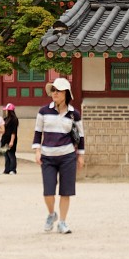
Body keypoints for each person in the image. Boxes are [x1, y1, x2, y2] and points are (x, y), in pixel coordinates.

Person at [33, 77, 88, 234]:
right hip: (47, 156)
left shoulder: (74, 114)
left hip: (67, 156)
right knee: (48, 191)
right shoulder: (43, 111)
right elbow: (38, 132)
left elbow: (80, 136)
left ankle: (62, 222)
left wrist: (81, 155)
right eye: (53, 90)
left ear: (66, 94)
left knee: (66, 191)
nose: (55, 93)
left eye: (58, 90)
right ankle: (52, 214)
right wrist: (37, 151)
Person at [1, 104, 21, 175]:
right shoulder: (5, 119)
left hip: (11, 138)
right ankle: (7, 169)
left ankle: (13, 169)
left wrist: (12, 141)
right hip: (5, 138)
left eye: (7, 110)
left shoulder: (14, 120)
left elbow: (14, 131)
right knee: (6, 154)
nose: (6, 111)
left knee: (11, 154)